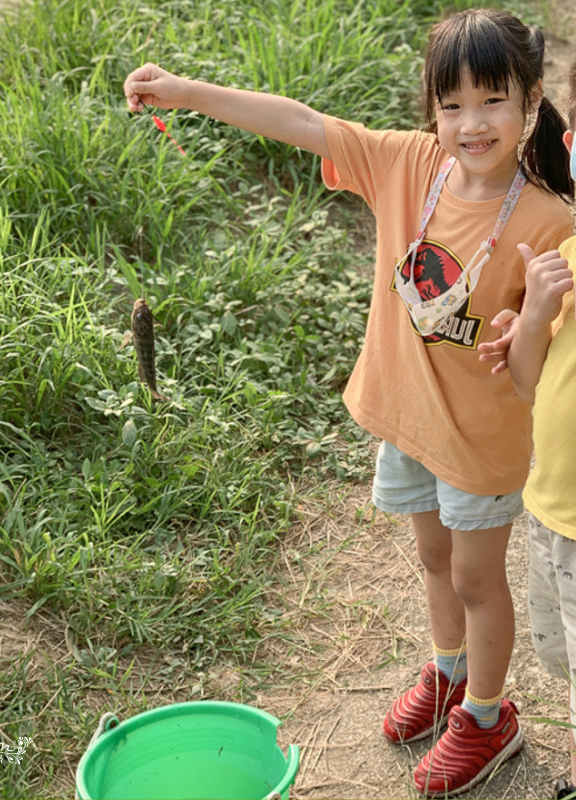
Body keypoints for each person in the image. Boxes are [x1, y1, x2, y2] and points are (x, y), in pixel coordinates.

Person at [124, 8, 573, 797]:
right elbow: (301, 122)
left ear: (532, 101)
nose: (472, 124)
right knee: (433, 561)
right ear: (431, 109)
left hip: (480, 443)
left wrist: (524, 324)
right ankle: (449, 672)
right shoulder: (405, 165)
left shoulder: (550, 221)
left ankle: (488, 715)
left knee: (476, 579)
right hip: (408, 420)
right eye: (452, 104)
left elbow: (544, 358)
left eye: (493, 101)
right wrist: (187, 91)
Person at [481, 56, 576, 800]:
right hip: (551, 512)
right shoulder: (564, 259)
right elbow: (524, 381)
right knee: (563, 658)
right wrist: (532, 321)